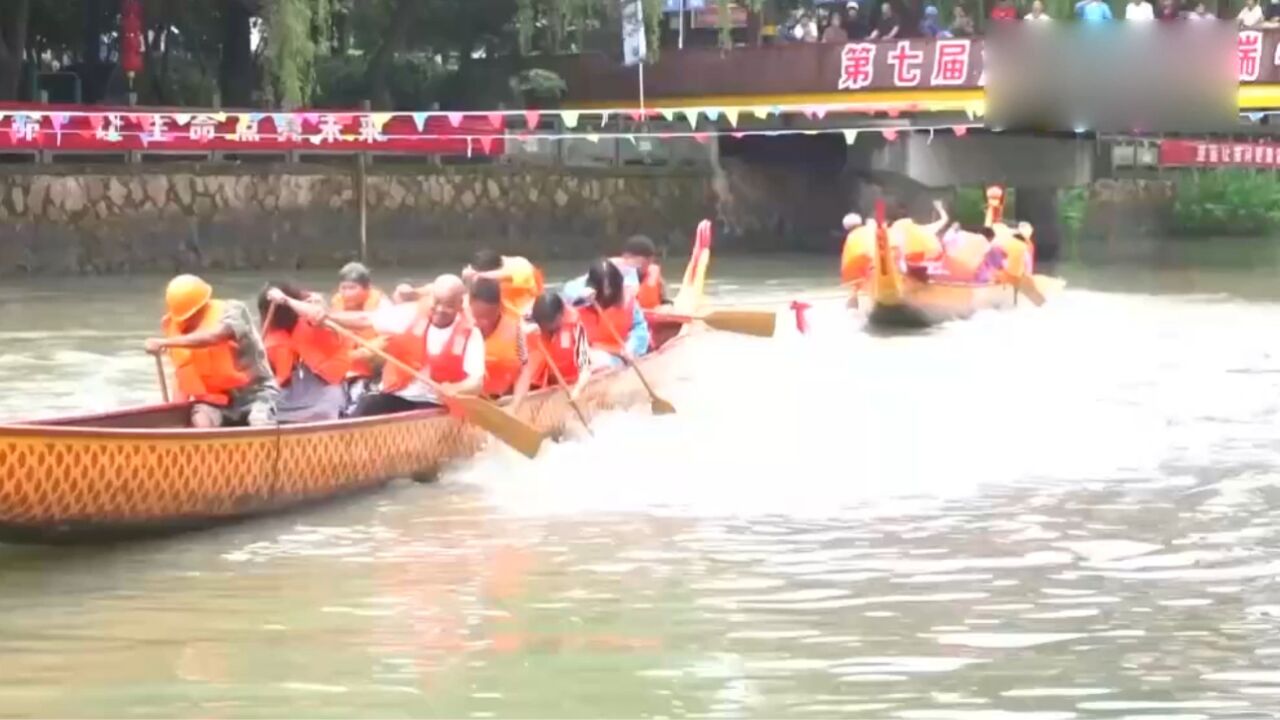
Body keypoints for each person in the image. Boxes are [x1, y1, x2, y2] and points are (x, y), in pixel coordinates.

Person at [309, 274, 485, 417]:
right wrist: (327, 317)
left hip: (435, 403)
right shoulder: (410, 313)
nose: (439, 309)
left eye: (448, 305)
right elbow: (365, 319)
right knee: (366, 405)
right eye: (437, 302)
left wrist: (456, 389)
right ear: (430, 298)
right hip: (398, 394)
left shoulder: (470, 334)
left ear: (460, 305)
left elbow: (476, 382)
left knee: (418, 418)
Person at [145, 274, 278, 428]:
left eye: (191, 316)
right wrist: (175, 413)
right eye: (183, 319)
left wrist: (164, 343)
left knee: (259, 422)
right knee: (201, 420)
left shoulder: (234, 311)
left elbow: (214, 337)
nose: (186, 322)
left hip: (255, 394)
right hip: (215, 401)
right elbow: (183, 374)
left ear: (203, 306)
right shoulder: (173, 325)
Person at [260, 282, 351, 423]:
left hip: (323, 392)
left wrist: (285, 299)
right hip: (287, 396)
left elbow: (316, 314)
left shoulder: (318, 323)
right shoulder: (272, 335)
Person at [511, 290, 591, 413]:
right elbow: (522, 367)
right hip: (536, 381)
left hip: (567, 380)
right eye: (542, 325)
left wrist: (578, 390)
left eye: (548, 325)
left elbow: (585, 366)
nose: (545, 329)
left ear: (560, 316)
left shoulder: (575, 325)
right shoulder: (526, 323)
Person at [562, 259, 649, 369]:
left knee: (604, 363)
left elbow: (640, 329)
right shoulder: (578, 297)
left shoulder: (628, 301)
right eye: (603, 288)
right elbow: (567, 292)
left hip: (619, 355)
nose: (607, 292)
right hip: (588, 353)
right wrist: (582, 296)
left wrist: (631, 348)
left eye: (610, 288)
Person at [331, 262, 389, 413]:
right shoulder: (336, 303)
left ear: (367, 288)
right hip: (347, 362)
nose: (347, 293)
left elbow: (388, 339)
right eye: (343, 288)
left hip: (374, 361)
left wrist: (361, 353)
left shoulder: (382, 305)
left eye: (352, 288)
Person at [469, 278, 528, 399]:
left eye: (489, 316)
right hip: (467, 399)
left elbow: (525, 370)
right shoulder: (457, 320)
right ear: (470, 304)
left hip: (502, 397)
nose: (484, 323)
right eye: (478, 317)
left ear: (499, 307)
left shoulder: (516, 327)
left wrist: (515, 405)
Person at [461, 249, 545, 319]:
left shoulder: (520, 265)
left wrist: (477, 275)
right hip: (508, 313)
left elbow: (508, 276)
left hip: (531, 312)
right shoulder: (486, 275)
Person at [613, 235, 669, 310]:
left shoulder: (658, 280)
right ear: (625, 257)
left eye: (649, 261)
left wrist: (667, 307)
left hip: (650, 318)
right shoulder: (611, 278)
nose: (647, 264)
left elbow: (665, 302)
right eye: (645, 261)